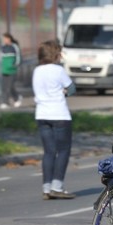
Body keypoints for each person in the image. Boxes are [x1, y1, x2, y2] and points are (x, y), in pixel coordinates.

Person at [32, 40, 76, 200]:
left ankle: (46, 188)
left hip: (42, 114)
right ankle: (57, 186)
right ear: (55, 54)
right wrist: (63, 93)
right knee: (63, 150)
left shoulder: (37, 70)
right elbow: (71, 88)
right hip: (59, 114)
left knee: (49, 152)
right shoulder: (58, 70)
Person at [0, 33, 22, 109]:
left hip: (12, 70)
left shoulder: (14, 47)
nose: (5, 40)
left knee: (10, 86)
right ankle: (4, 102)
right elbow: (0, 59)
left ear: (9, 38)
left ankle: (17, 98)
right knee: (3, 86)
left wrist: (15, 65)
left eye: (6, 38)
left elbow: (18, 57)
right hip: (4, 70)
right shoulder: (3, 48)